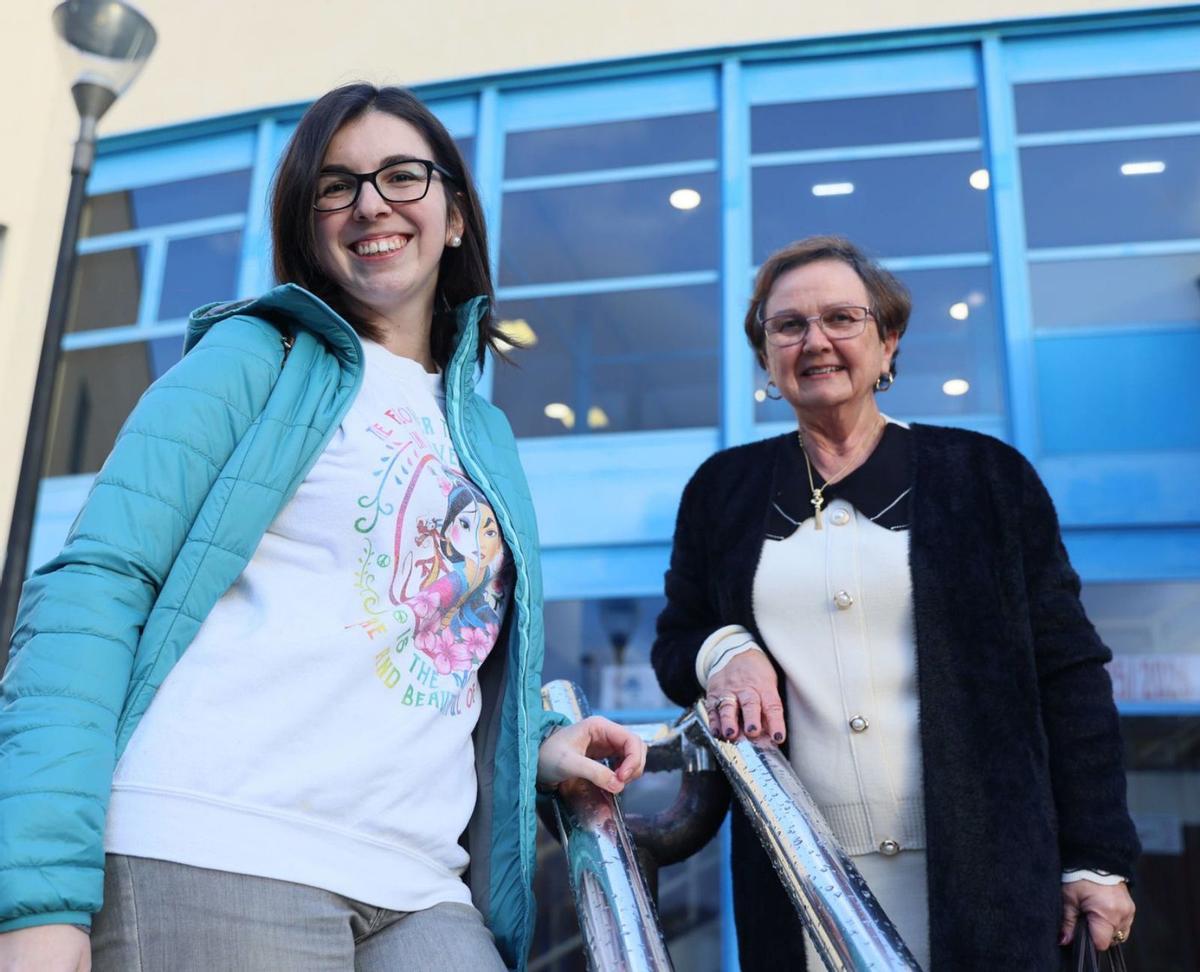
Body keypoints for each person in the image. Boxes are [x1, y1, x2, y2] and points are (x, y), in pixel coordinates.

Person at [0, 83, 646, 972]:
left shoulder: (482, 431)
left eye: (401, 176)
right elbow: (92, 591)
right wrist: (39, 901)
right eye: (335, 186)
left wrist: (535, 744)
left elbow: (426, 646)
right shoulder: (254, 358)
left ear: (454, 214)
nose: (370, 202)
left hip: (421, 882)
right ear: (309, 229)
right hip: (213, 841)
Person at [651, 235, 1138, 971]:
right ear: (766, 358)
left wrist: (1096, 857)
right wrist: (725, 649)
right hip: (799, 880)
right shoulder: (722, 491)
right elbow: (676, 639)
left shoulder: (986, 477)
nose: (815, 341)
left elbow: (1068, 672)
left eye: (842, 318)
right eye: (788, 326)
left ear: (888, 343)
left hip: (989, 875)